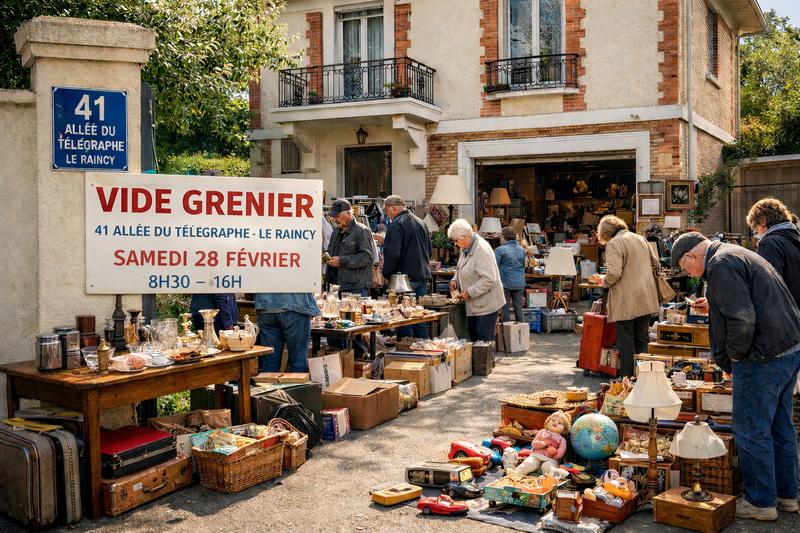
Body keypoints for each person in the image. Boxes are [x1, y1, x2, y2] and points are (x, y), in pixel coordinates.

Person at [671, 232, 800, 521]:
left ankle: (760, 502)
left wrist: (734, 358)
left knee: (751, 430)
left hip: (762, 356)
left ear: (691, 256)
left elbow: (742, 318)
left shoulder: (721, 265)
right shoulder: (731, 254)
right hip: (786, 349)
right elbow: (745, 302)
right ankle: (787, 496)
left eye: (684, 267)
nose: (688, 274)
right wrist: (713, 305)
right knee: (780, 426)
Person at [596, 215, 660, 378]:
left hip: (626, 299)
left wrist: (604, 281)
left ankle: (628, 377)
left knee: (626, 340)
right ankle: (644, 376)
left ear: (605, 232)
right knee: (642, 338)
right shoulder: (640, 238)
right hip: (645, 296)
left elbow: (614, 273)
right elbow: (657, 264)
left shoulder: (614, 243)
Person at [380, 195, 432, 338]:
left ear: (392, 208)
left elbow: (393, 253)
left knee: (402, 318)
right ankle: (424, 348)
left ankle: (406, 352)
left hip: (403, 280)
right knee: (418, 316)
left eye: (387, 211)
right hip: (422, 275)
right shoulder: (421, 222)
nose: (386, 214)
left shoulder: (396, 224)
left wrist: (386, 273)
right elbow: (429, 250)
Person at [447, 219, 505, 342]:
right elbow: (460, 268)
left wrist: (469, 292)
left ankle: (485, 362)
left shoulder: (481, 249)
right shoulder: (465, 248)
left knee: (483, 343)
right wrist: (455, 280)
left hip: (486, 305)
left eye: (456, 240)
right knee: (475, 341)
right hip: (474, 305)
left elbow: (489, 278)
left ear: (465, 236)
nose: (456, 244)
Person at [747, 198, 800, 308]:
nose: (756, 232)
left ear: (762, 221)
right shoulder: (794, 237)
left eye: (755, 227)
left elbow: (765, 285)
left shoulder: (769, 243)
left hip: (782, 315)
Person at [254, 292, 320, 373]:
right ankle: (297, 384)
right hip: (296, 304)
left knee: (269, 365)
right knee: (298, 362)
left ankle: (268, 383)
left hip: (266, 306)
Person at [325, 199, 374, 297]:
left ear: (349, 213)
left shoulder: (362, 231)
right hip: (336, 286)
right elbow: (331, 251)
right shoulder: (335, 232)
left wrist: (341, 261)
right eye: (333, 216)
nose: (334, 219)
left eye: (337, 216)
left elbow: (367, 257)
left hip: (355, 288)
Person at [495, 226, 526, 322]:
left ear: (504, 237)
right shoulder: (521, 249)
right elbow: (523, 266)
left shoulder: (500, 250)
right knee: (518, 308)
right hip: (519, 283)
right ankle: (520, 331)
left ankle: (506, 334)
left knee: (505, 309)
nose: (500, 239)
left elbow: (495, 267)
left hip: (505, 283)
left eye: (500, 237)